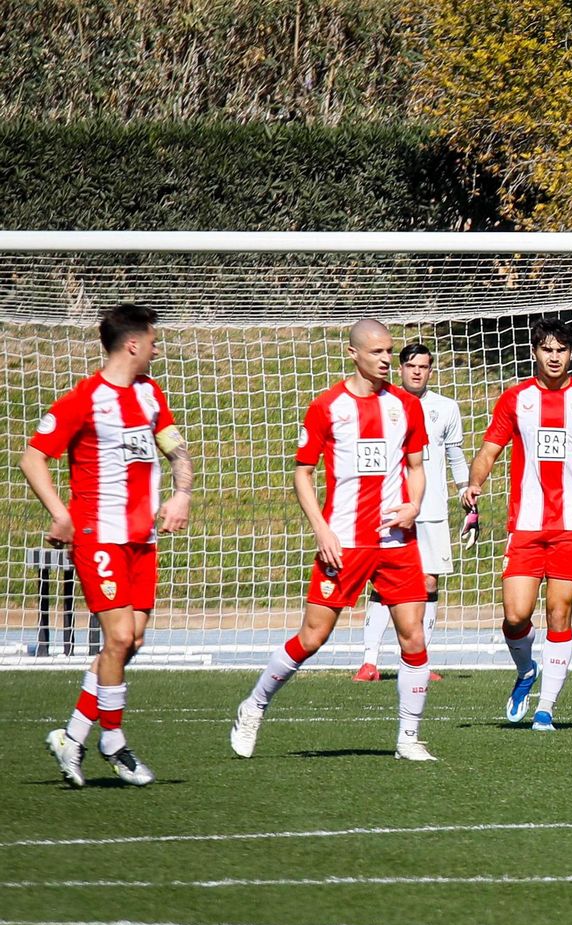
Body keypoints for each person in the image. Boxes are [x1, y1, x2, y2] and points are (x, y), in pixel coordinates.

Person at [230, 319, 438, 762]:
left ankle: (409, 737)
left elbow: (416, 467)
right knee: (312, 636)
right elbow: (302, 472)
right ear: (354, 354)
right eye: (377, 351)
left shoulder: (405, 407)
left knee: (413, 637)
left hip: (397, 541)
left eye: (389, 351)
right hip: (343, 542)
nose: (386, 359)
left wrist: (414, 505)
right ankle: (254, 706)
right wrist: (321, 529)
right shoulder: (327, 406)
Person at [22, 303, 192, 788]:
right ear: (133, 344)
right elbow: (32, 457)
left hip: (142, 537)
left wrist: (181, 494)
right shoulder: (85, 399)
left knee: (131, 641)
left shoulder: (150, 393)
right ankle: (112, 740)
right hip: (99, 535)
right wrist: (61, 514)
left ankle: (72, 736)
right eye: (154, 341)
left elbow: (175, 446)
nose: (158, 349)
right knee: (117, 638)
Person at [461, 318, 572, 731]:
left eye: (561, 349)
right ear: (535, 353)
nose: (554, 357)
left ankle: (546, 708)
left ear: (571, 353)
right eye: (546, 349)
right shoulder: (515, 399)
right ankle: (525, 670)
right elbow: (489, 449)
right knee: (516, 616)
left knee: (560, 613)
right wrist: (474, 483)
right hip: (526, 525)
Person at [355, 342, 469, 682]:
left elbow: (455, 454)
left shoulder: (446, 408)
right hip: (391, 509)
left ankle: (418, 661)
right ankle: (369, 661)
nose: (417, 371)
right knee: (385, 582)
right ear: (401, 368)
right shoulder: (383, 404)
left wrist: (465, 489)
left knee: (429, 581)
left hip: (432, 509)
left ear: (430, 371)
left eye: (424, 366)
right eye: (411, 365)